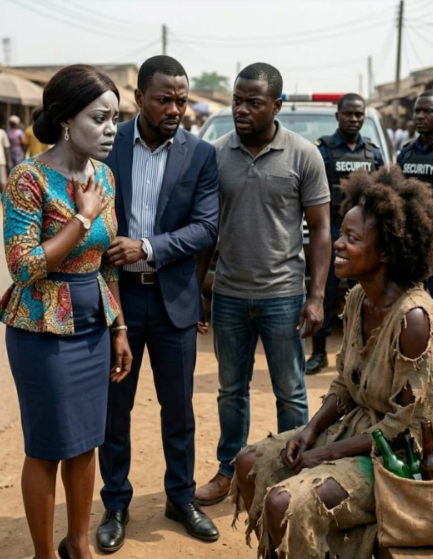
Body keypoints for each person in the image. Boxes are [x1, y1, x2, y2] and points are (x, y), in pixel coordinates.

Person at [233, 165, 433, 559]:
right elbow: (345, 384)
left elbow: (411, 427)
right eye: (341, 234)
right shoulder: (359, 298)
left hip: (394, 457)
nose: (338, 244)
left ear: (386, 250)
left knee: (285, 501)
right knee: (249, 463)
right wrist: (310, 431)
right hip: (356, 431)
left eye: (353, 238)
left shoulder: (414, 320)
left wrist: (327, 453)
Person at [0, 64, 132, 559]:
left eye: (114, 118)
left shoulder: (105, 177)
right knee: (47, 448)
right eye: (99, 118)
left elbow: (107, 260)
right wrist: (82, 217)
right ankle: (44, 553)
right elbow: (23, 266)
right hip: (42, 331)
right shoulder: (28, 179)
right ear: (65, 120)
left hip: (93, 327)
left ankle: (78, 545)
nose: (110, 129)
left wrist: (118, 326)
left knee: (85, 442)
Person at [96, 55, 220, 552]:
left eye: (181, 100)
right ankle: (115, 504)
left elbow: (206, 227)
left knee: (179, 409)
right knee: (115, 409)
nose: (174, 109)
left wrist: (146, 247)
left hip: (174, 301)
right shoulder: (109, 146)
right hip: (118, 300)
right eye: (164, 99)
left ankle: (181, 498)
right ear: (138, 98)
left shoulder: (201, 154)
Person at [195, 63, 331, 507]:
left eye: (253, 102)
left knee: (290, 392)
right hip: (229, 294)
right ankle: (228, 471)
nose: (241, 109)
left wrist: (316, 296)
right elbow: (207, 230)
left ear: (276, 106)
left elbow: (321, 229)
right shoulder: (216, 154)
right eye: (237, 100)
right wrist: (198, 290)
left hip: (284, 296)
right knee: (231, 391)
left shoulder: (304, 155)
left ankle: (291, 473)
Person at [306, 93, 384, 374]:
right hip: (330, 232)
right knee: (324, 293)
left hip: (363, 238)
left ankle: (359, 355)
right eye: (348, 113)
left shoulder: (373, 153)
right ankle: (319, 353)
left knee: (363, 294)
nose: (353, 119)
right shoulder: (322, 150)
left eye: (358, 114)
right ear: (337, 115)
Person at [397, 90, 433, 317]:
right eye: (417, 111)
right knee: (409, 305)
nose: (420, 116)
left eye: (428, 111)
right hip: (412, 241)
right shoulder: (406, 154)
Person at [0, 113, 12, 192]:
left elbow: (6, 148)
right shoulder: (2, 132)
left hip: (1, 160)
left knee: (3, 181)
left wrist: (9, 161)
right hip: (1, 160)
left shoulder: (2, 132)